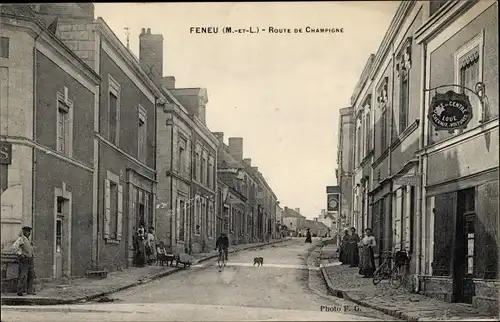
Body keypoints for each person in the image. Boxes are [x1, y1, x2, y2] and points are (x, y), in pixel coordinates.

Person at [12, 226, 36, 296]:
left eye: (29, 231)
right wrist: (20, 254)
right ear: (24, 232)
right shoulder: (21, 239)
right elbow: (14, 247)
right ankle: (20, 290)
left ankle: (29, 290)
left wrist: (33, 255)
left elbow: (30, 249)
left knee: (32, 275)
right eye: (27, 231)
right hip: (24, 260)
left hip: (30, 260)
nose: (28, 233)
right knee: (23, 275)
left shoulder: (28, 240)